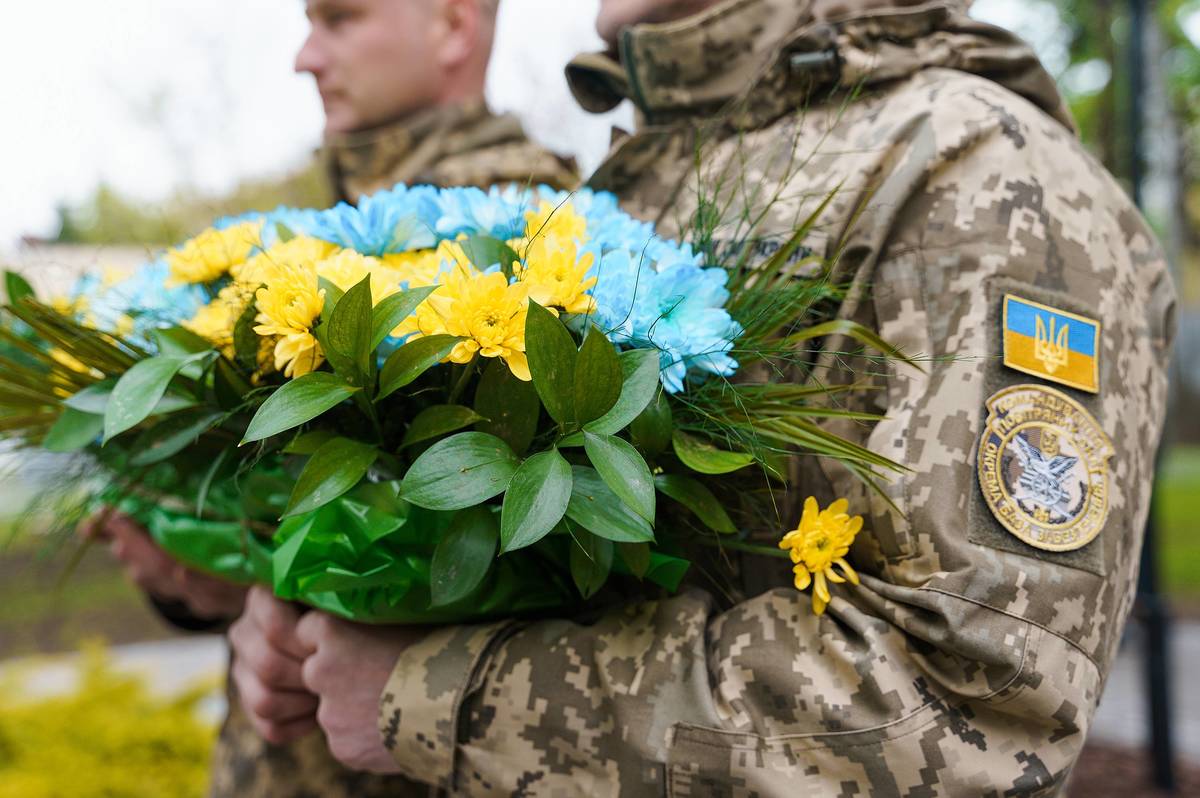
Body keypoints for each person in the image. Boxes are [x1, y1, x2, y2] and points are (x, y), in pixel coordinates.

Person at [228, 0, 1177, 795]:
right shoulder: (656, 166)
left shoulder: (982, 177)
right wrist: (332, 620)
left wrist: (440, 695)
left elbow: (972, 708)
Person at [85, 0, 576, 796]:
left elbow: (500, 566)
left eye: (339, 19)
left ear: (452, 26)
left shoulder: (536, 241)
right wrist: (204, 570)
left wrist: (254, 575)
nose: (304, 57)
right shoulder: (319, 229)